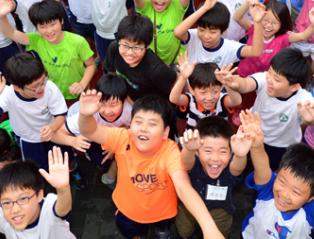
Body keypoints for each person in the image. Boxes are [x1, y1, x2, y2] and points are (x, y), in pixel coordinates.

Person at [77, 91, 225, 239]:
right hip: (128, 210)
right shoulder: (122, 138)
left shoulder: (170, 150)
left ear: (166, 132)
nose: (143, 128)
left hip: (163, 211)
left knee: (163, 226)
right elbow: (91, 130)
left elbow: (183, 186)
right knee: (131, 233)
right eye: (138, 121)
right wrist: (84, 115)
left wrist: (209, 228)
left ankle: (162, 231)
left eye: (152, 124)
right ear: (131, 125)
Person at [239, 110, 314, 238]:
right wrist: (257, 146)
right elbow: (262, 168)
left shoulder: (309, 214)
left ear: (312, 197)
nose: (284, 194)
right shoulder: (268, 191)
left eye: (296, 192)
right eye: (282, 182)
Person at [0, 56, 84, 186]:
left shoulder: (49, 88)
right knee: (36, 167)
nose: (41, 88)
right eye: (35, 87)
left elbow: (61, 115)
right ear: (17, 87)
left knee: (68, 158)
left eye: (43, 81)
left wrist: (52, 127)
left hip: (55, 132)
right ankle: (41, 180)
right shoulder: (8, 94)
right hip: (29, 140)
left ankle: (73, 170)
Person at [223, 48, 314, 170]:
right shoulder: (265, 79)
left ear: (294, 87)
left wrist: (310, 120)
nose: (269, 79)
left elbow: (310, 119)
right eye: (270, 72)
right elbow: (246, 84)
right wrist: (235, 82)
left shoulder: (304, 99)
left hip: (281, 145)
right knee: (244, 161)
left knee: (269, 169)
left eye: (277, 79)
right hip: (252, 134)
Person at [177, 116, 253, 238]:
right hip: (188, 209)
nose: (215, 158)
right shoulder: (194, 161)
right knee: (184, 231)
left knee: (220, 233)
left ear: (230, 153)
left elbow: (237, 169)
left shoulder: (230, 165)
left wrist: (240, 155)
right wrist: (189, 149)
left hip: (220, 210)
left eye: (223, 152)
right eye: (208, 151)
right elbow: (186, 162)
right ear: (197, 152)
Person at [170, 54, 242, 130]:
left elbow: (236, 102)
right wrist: (183, 78)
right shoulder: (191, 99)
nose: (210, 97)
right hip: (194, 140)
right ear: (192, 90)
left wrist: (227, 83)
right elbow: (174, 99)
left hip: (218, 140)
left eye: (215, 91)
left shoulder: (221, 99)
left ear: (221, 88)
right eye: (203, 92)